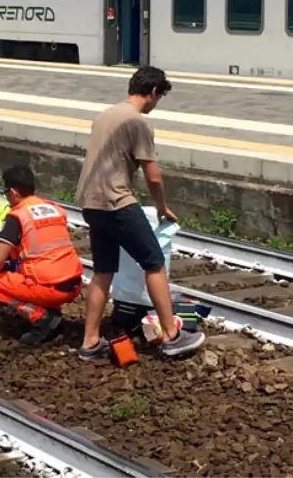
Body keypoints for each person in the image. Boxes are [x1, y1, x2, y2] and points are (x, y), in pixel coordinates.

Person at [74, 66, 205, 359]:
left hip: (90, 202)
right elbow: (153, 176)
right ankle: (172, 335)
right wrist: (161, 207)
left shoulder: (106, 114)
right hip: (116, 201)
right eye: (160, 98)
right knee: (154, 262)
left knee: (103, 271)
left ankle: (90, 342)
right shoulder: (138, 122)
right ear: (155, 92)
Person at [0, 166, 84, 345]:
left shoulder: (17, 216)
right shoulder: (54, 209)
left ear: (13, 192)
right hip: (74, 283)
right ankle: (50, 311)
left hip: (51, 289)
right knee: (25, 272)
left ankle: (42, 317)